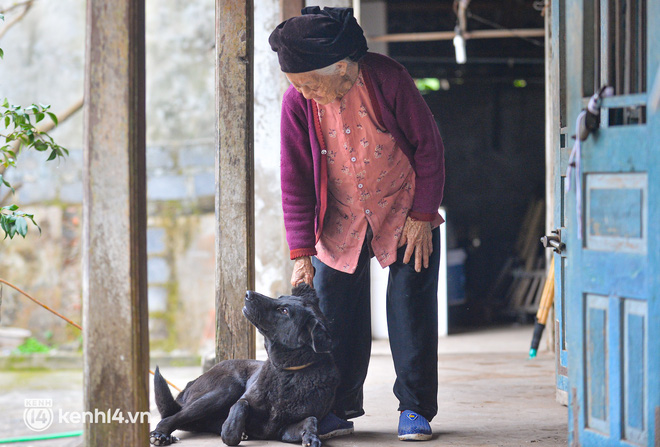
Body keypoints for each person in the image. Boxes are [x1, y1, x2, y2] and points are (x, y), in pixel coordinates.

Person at [269, 6, 445, 442]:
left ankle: (415, 408)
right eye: (297, 85)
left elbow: (429, 148)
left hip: (404, 208)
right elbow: (294, 180)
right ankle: (338, 407)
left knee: (410, 309)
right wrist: (301, 253)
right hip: (340, 218)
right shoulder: (298, 103)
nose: (305, 92)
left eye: (310, 82)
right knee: (333, 316)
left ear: (342, 69)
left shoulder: (388, 78)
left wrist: (423, 216)